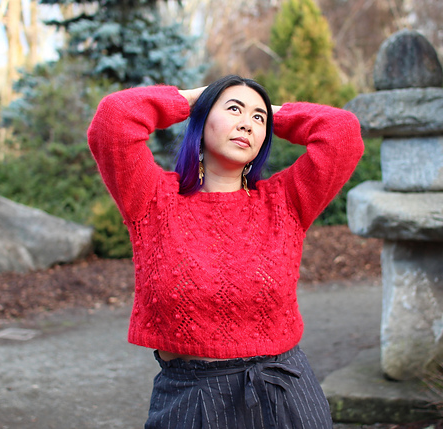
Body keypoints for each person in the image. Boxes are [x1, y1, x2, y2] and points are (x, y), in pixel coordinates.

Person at [87, 75, 364, 429]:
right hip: (193, 399)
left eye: (257, 119)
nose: (246, 123)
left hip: (285, 394)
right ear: (202, 122)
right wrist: (197, 99)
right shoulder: (152, 198)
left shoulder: (285, 201)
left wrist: (269, 111)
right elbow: (114, 119)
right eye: (233, 109)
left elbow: (342, 133)